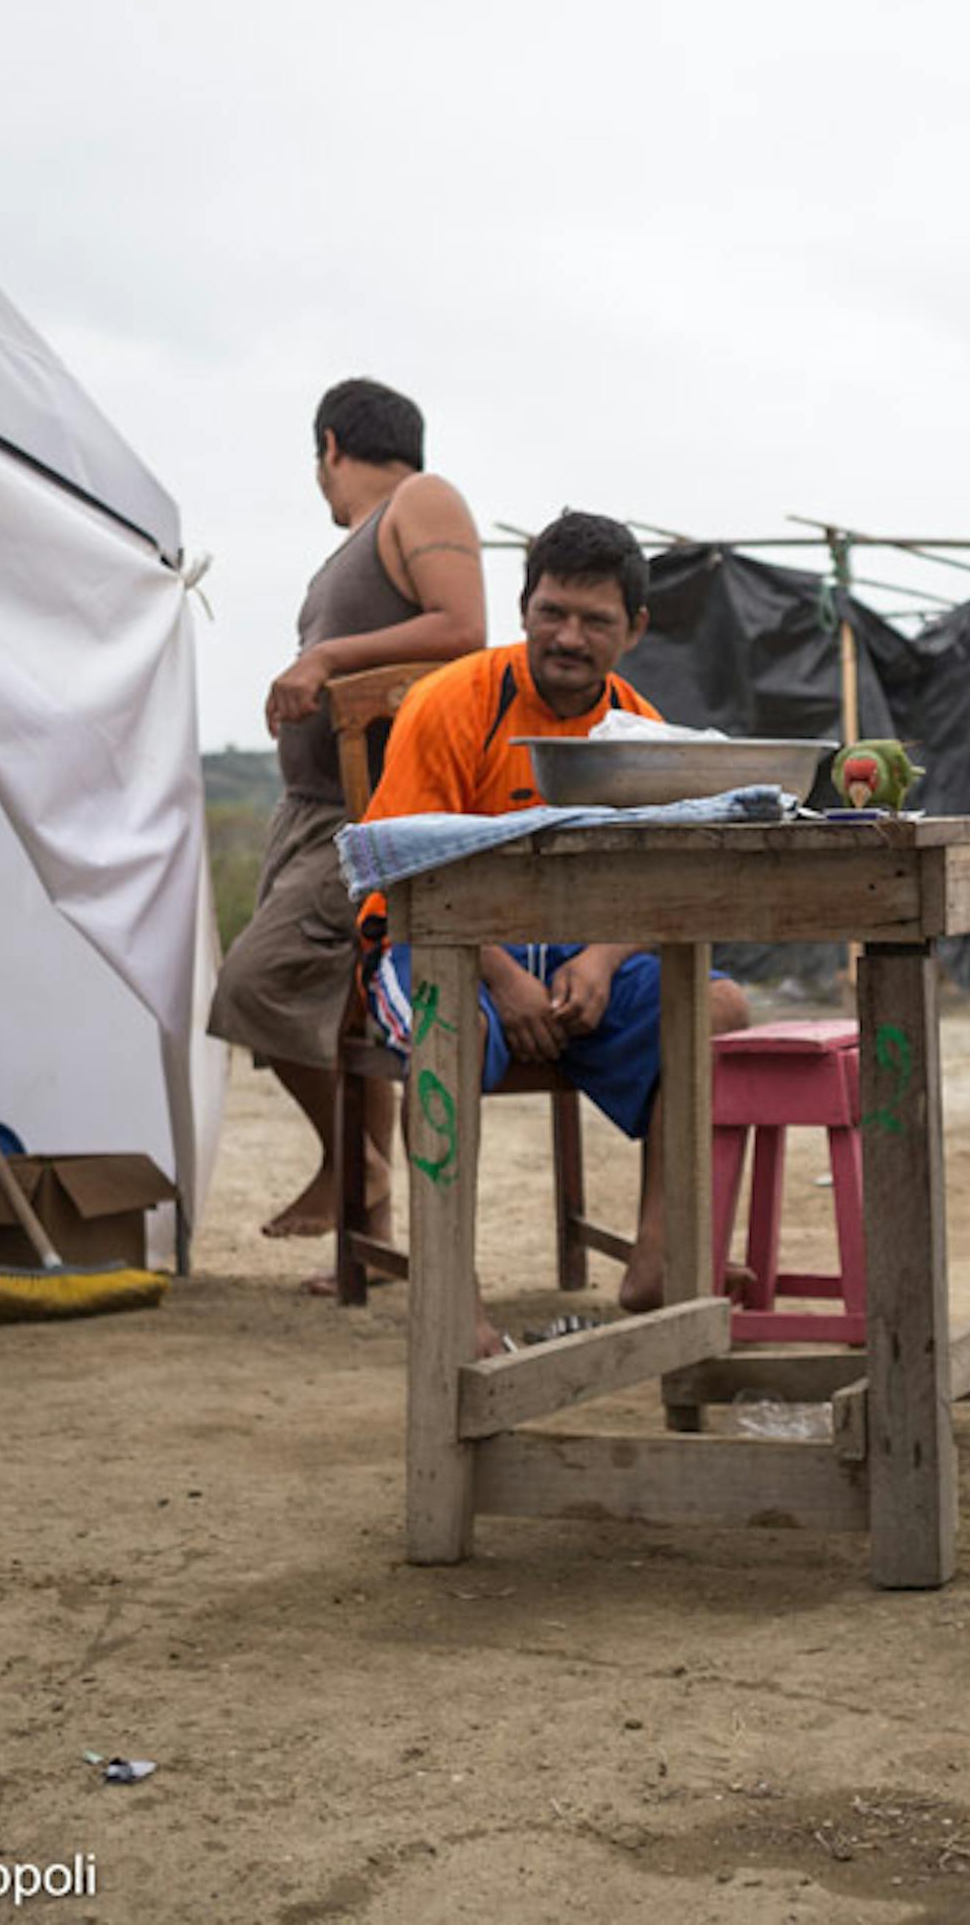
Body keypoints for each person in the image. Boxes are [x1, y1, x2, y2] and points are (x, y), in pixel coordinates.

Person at [356, 510, 750, 1345]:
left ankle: (660, 1260)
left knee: (720, 1009)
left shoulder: (639, 726)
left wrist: (604, 960)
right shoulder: (449, 703)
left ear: (635, 629)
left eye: (595, 620)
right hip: (436, 940)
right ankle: (451, 1298)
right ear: (524, 606)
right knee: (444, 1023)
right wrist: (503, 976)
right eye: (552, 613)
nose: (569, 637)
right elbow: (405, 869)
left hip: (575, 960)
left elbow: (660, 879)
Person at [209, 379, 486, 1253]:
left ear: (331, 445)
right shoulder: (357, 546)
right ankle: (369, 1229)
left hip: (372, 816)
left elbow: (464, 628)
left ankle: (352, 1164)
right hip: (313, 812)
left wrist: (324, 655)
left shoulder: (421, 498)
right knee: (337, 1013)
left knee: (255, 981)